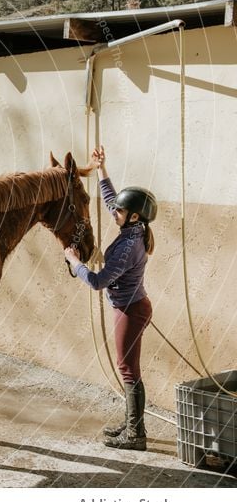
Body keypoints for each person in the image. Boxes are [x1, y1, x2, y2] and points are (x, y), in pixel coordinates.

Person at [64, 145, 157, 451]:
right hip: (130, 307)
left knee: (128, 369)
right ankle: (133, 426)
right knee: (128, 367)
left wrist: (75, 261)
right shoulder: (134, 227)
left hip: (130, 310)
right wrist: (102, 169)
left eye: (119, 210)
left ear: (133, 216)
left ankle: (135, 434)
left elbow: (97, 281)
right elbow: (110, 200)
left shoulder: (129, 246)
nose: (113, 212)